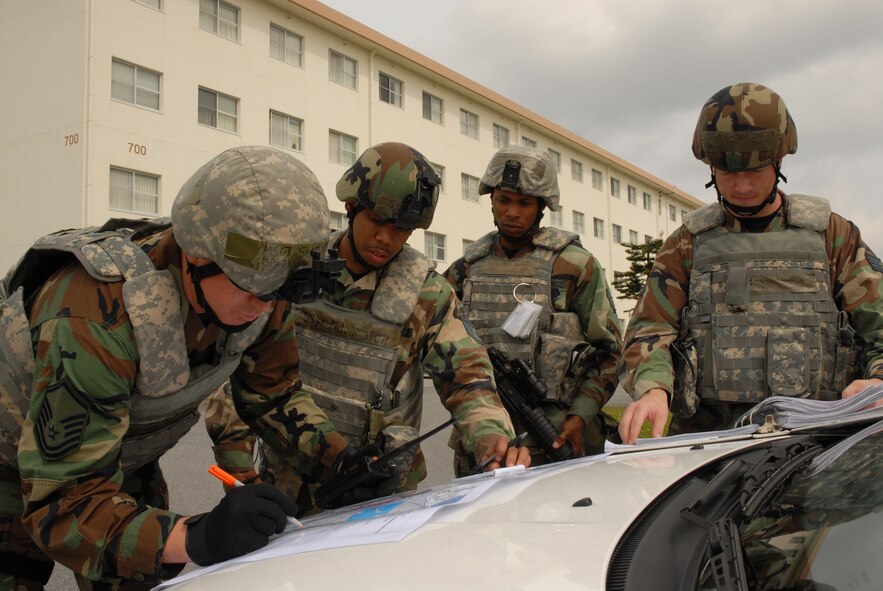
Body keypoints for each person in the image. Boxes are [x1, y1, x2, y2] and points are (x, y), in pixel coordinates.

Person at [0, 146, 337, 589]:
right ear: (195, 257)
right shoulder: (94, 314)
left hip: (124, 462)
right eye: (254, 288)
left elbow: (273, 394)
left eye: (278, 290)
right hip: (16, 469)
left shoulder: (258, 292)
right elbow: (66, 503)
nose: (265, 305)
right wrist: (200, 536)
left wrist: (340, 460)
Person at [204, 142, 529, 514]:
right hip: (286, 483)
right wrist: (239, 469)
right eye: (377, 221)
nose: (386, 239)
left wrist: (493, 441)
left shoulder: (425, 294)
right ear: (351, 207)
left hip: (380, 494)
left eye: (402, 228)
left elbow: (469, 380)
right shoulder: (293, 270)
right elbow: (236, 371)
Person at [617, 82, 883, 444]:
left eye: (755, 171)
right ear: (712, 169)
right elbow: (649, 329)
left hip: (819, 442)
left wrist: (877, 382)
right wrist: (653, 388)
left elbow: (877, 326)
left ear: (779, 161)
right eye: (727, 174)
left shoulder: (831, 235)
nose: (742, 186)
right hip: (712, 444)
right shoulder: (687, 243)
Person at [443, 145, 623, 470]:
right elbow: (437, 344)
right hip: (485, 447)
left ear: (542, 207)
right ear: (491, 201)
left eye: (524, 203)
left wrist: (581, 414)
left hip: (554, 436)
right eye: (503, 200)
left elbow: (610, 352)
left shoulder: (574, 265)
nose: (512, 212)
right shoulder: (467, 268)